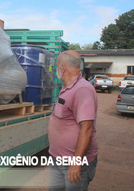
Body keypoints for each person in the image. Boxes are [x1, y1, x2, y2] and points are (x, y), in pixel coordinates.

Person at [48, 50, 98, 191]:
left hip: (74, 163)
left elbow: (87, 128)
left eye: (57, 66)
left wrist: (76, 163)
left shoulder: (82, 90)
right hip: (58, 159)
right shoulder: (67, 88)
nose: (56, 70)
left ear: (63, 67)